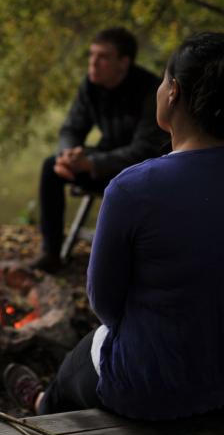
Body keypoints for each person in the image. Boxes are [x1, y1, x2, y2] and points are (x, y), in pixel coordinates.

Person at [5, 32, 224, 420]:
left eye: (165, 81)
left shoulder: (134, 190)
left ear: (173, 93)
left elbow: (106, 304)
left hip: (157, 391)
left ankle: (41, 405)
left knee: (79, 360)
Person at [32, 27, 168, 273]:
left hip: (139, 172)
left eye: (103, 57)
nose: (93, 63)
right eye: (91, 55)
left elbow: (145, 150)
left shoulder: (150, 90)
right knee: (50, 167)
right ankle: (51, 253)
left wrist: (92, 164)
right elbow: (71, 128)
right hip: (102, 162)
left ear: (123, 63)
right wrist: (68, 155)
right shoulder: (90, 85)